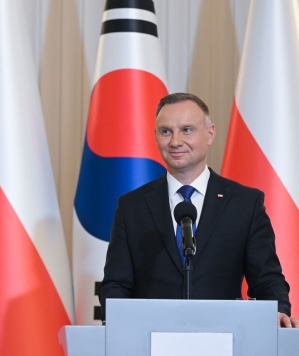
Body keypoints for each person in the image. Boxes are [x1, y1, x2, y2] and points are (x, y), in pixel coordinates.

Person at [99, 92, 297, 328]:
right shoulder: (132, 206)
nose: (175, 141)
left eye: (187, 130)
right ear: (155, 137)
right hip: (151, 345)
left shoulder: (245, 203)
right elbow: (115, 285)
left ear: (210, 133)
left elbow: (267, 278)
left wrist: (277, 312)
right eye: (165, 132)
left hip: (226, 342)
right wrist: (121, 326)